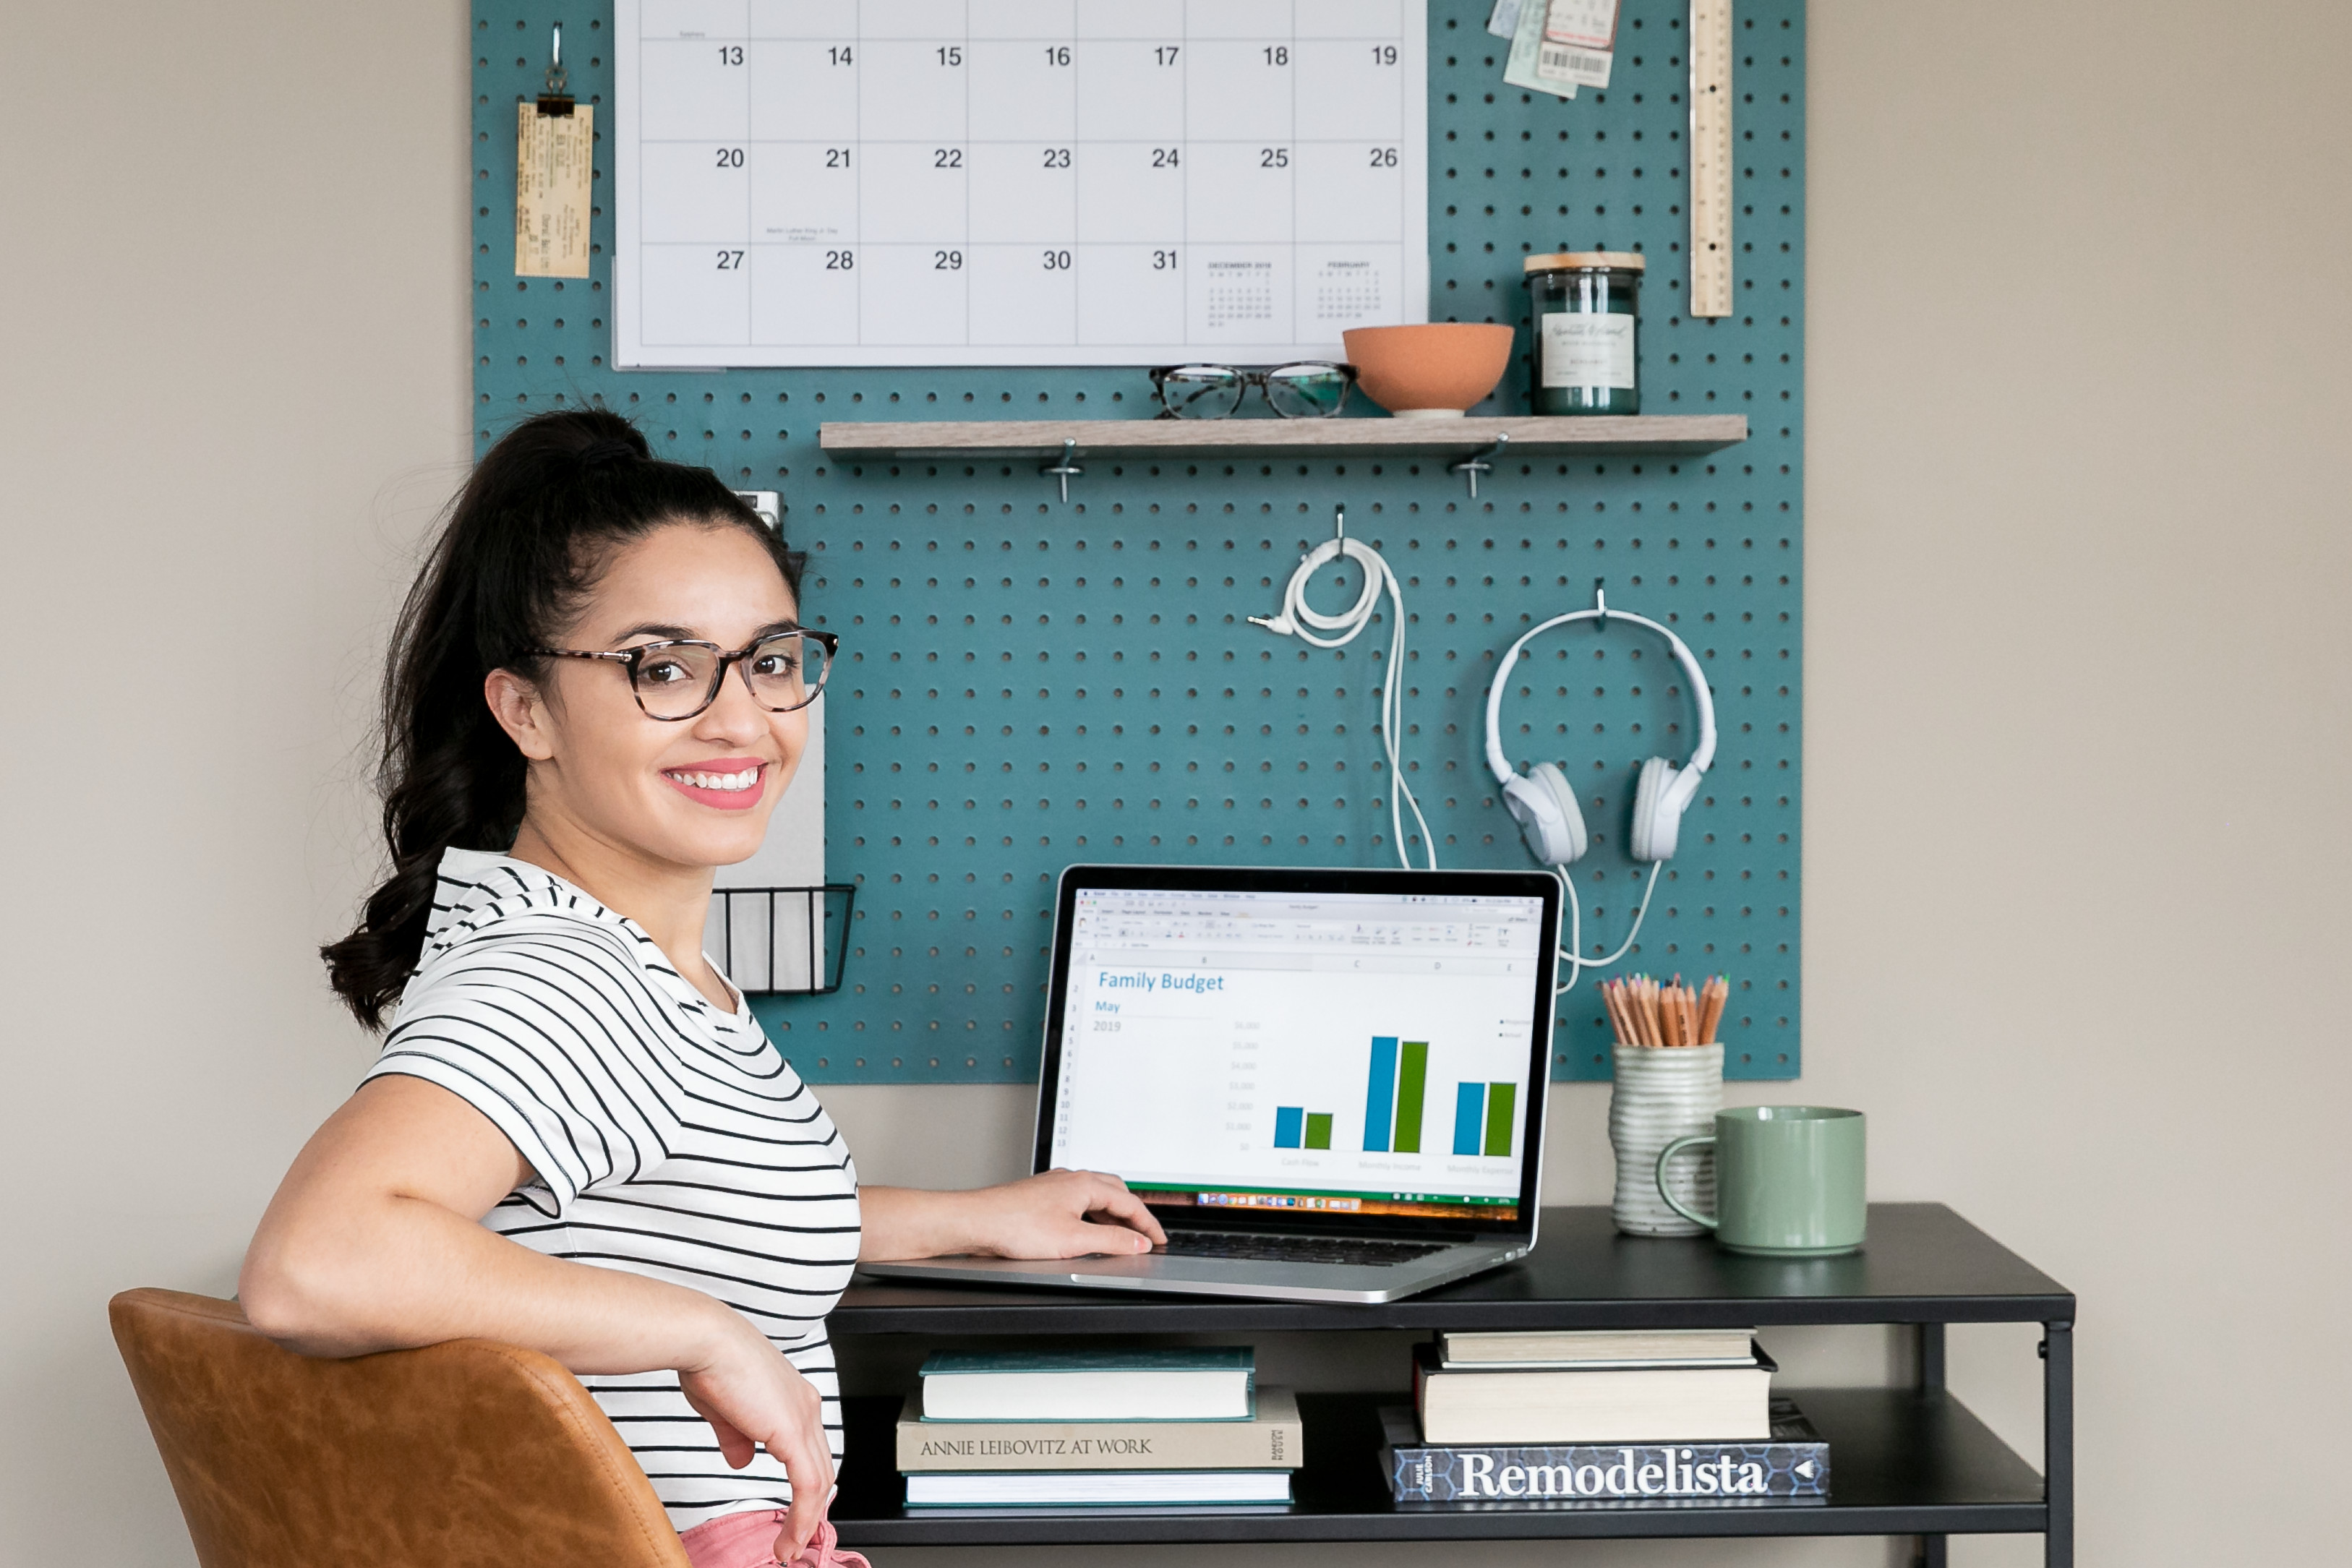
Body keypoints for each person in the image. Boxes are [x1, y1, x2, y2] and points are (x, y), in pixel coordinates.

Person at [239, 410, 1165, 1568]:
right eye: (662, 667)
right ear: (524, 708)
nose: (742, 718)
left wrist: (974, 1218)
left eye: (770, 660)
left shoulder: (630, 959)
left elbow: (683, 1214)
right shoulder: (561, 978)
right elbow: (315, 1262)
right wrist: (702, 1336)